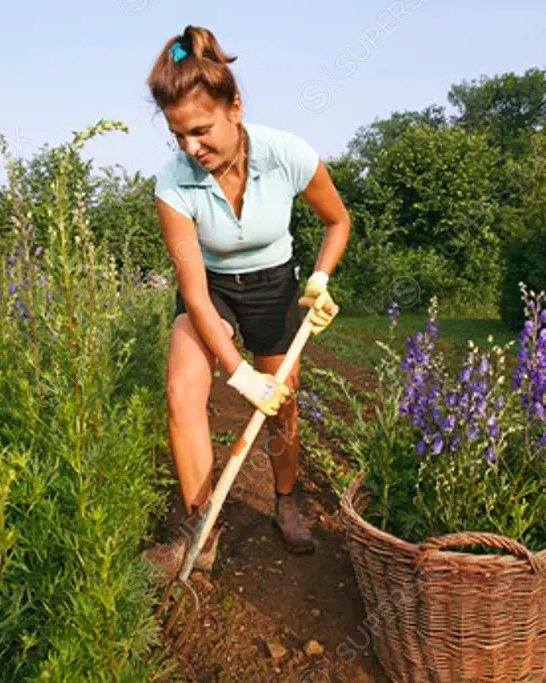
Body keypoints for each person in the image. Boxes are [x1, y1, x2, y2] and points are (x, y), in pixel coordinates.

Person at [141, 25, 350, 577]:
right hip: (213, 294)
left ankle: (285, 501)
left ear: (235, 107)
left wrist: (320, 279)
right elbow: (193, 292)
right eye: (178, 135)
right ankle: (200, 528)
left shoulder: (287, 154)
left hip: (277, 287)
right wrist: (236, 374)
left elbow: (337, 221)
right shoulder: (173, 184)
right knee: (182, 388)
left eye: (202, 131)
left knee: (282, 406)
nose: (192, 148)